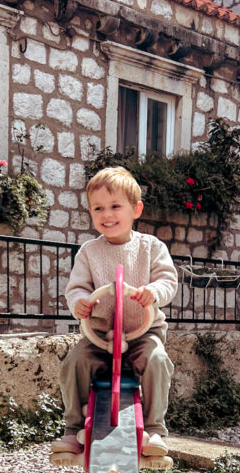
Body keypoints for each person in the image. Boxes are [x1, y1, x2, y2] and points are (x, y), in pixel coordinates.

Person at [51, 166, 178, 458]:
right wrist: (79, 302)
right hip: (99, 337)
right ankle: (73, 429)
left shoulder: (151, 247)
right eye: (98, 209)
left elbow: (168, 281)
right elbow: (76, 288)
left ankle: (154, 429)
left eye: (115, 206)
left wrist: (154, 292)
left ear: (136, 209)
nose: (107, 215)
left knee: (157, 360)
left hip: (143, 332)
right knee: (74, 362)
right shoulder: (89, 252)